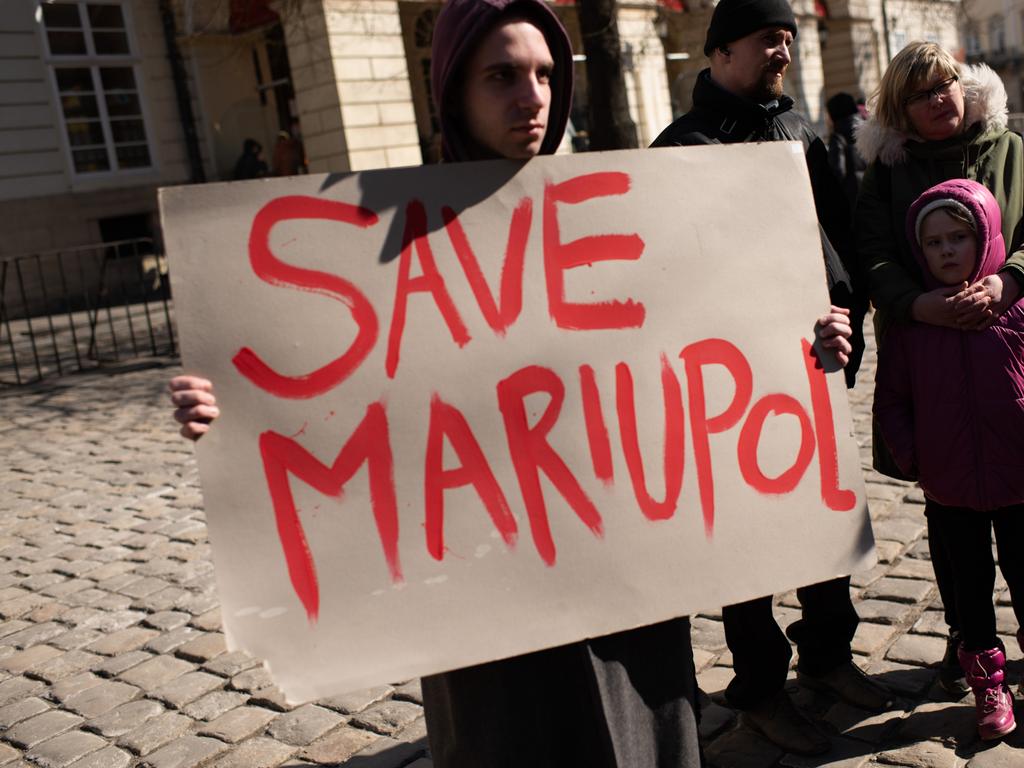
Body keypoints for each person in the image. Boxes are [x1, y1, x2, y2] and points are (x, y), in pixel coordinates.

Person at [173, 1, 705, 765]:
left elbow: (707, 346)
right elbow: (323, 395)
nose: (533, 97)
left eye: (547, 74)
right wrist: (226, 406)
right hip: (484, 594)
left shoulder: (623, 214)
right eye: (502, 76)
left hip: (623, 578)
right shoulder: (385, 238)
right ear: (453, 90)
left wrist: (800, 341)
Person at [651, 0, 884, 756]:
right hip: (728, 386)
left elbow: (836, 229)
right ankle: (758, 688)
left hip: (816, 361)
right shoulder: (679, 147)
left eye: (787, 36)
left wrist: (851, 308)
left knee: (823, 524)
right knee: (747, 546)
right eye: (765, 38)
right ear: (719, 53)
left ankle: (828, 656)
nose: (782, 50)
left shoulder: (797, 129)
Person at [855, 42, 1024, 697]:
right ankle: (969, 643)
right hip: (930, 357)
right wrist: (913, 302)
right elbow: (870, 252)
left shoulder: (1010, 148)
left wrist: (1011, 281)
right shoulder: (888, 173)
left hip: (1007, 349)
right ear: (901, 107)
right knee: (951, 524)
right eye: (922, 92)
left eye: (947, 84)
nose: (939, 99)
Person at [873, 178, 1024, 740]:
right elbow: (891, 398)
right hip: (949, 488)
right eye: (933, 242)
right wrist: (918, 459)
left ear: (985, 237)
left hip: (1019, 480)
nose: (946, 251)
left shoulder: (1017, 309)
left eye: (958, 237)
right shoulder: (913, 328)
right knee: (969, 589)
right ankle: (986, 680)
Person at [825, 91, 866, 218]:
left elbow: (837, 172)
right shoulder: (867, 131)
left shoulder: (838, 137)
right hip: (872, 193)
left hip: (851, 201)